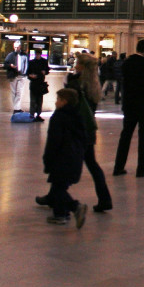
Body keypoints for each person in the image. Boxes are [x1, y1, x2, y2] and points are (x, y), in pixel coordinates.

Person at [64, 53, 112, 213]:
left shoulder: (75, 84)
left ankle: (56, 195)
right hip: (88, 130)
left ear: (83, 67)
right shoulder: (94, 85)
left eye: (78, 63)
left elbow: (67, 106)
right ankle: (105, 198)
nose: (75, 65)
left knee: (63, 164)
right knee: (91, 164)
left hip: (75, 130)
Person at [41, 88, 89, 228]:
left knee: (58, 189)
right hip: (75, 157)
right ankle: (60, 214)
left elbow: (53, 141)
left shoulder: (58, 117)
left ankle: (75, 207)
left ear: (64, 101)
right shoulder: (77, 115)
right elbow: (84, 138)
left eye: (58, 99)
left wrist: (48, 160)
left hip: (61, 158)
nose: (56, 102)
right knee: (59, 186)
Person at [114, 39, 144, 177]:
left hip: (129, 103)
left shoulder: (127, 62)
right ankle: (142, 169)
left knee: (126, 135)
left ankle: (118, 167)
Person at [3, 41, 28, 114]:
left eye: (17, 47)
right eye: (15, 47)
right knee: (14, 92)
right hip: (13, 75)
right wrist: (10, 66)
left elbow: (26, 64)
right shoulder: (10, 55)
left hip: (22, 75)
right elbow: (5, 65)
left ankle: (16, 109)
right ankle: (17, 108)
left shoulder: (24, 55)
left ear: (20, 47)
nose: (16, 48)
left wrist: (25, 73)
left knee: (19, 92)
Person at [27, 49, 50, 121]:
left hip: (40, 83)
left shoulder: (44, 62)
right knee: (33, 100)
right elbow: (28, 73)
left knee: (39, 100)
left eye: (38, 54)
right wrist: (31, 76)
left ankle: (38, 114)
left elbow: (47, 70)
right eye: (36, 54)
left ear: (40, 54)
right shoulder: (31, 62)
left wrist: (45, 72)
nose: (37, 55)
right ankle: (32, 114)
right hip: (34, 83)